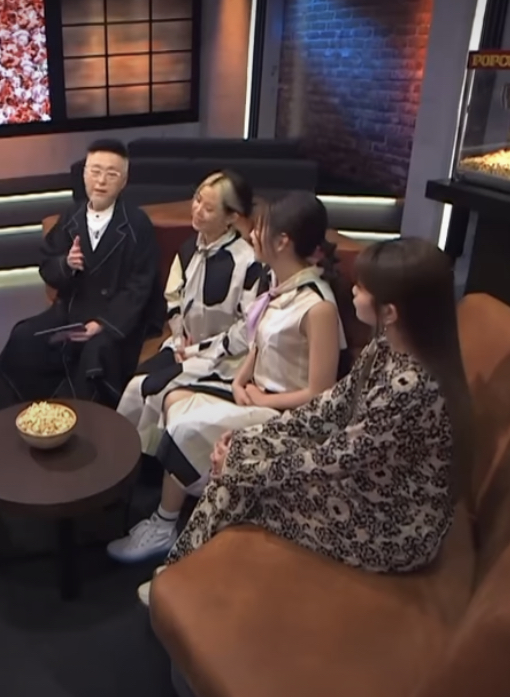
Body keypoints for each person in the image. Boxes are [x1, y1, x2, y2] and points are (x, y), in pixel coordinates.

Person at [146, 237, 474, 604]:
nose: (353, 290)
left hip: (392, 525)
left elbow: (338, 458)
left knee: (241, 483)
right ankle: (183, 573)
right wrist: (245, 437)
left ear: (390, 312)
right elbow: (328, 409)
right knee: (243, 452)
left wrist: (242, 467)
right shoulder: (386, 346)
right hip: (366, 482)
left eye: (362, 287)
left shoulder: (410, 387)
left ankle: (177, 580)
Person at [107, 191, 345, 574]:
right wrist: (241, 381)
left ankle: (168, 524)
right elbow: (257, 342)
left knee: (185, 425)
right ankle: (167, 513)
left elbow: (321, 393)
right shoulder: (279, 285)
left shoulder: (318, 306)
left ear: (282, 241)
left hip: (287, 411)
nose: (251, 235)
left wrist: (262, 401)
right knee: (172, 398)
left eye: (260, 229)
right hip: (253, 392)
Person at [0, 139, 163, 407]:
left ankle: (84, 420)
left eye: (111, 174)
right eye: (95, 171)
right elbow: (46, 265)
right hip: (72, 312)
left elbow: (140, 286)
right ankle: (43, 410)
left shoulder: (137, 224)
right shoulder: (71, 217)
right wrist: (66, 264)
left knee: (96, 354)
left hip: (118, 319)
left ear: (124, 181)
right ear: (84, 174)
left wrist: (103, 324)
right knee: (24, 338)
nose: (101, 181)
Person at [116, 171, 266, 454]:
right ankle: (122, 455)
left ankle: (144, 463)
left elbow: (246, 329)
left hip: (223, 359)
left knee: (151, 389)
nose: (197, 210)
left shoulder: (249, 263)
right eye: (197, 200)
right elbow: (173, 296)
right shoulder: (189, 249)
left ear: (231, 217)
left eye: (208, 208)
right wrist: (179, 334)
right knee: (135, 383)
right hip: (182, 345)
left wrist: (197, 350)